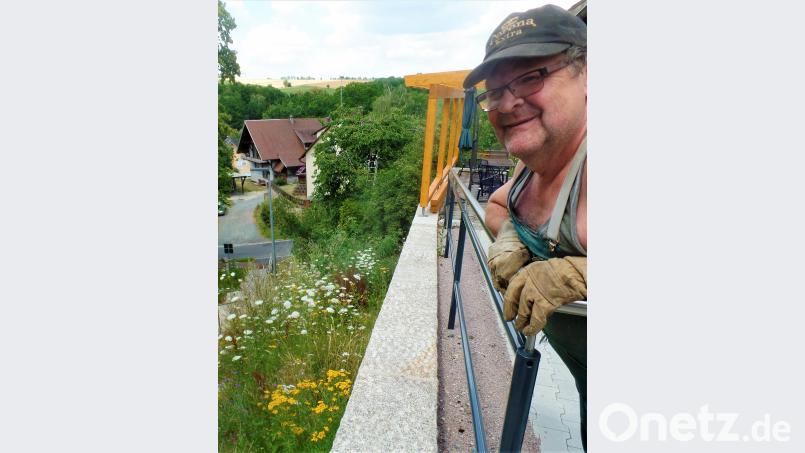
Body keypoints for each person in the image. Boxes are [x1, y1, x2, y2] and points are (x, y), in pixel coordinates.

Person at [463, 4, 588, 450]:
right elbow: (499, 205)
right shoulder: (532, 164)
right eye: (495, 91)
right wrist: (511, 237)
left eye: (532, 77)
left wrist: (574, 275)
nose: (507, 103)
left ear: (587, 74)